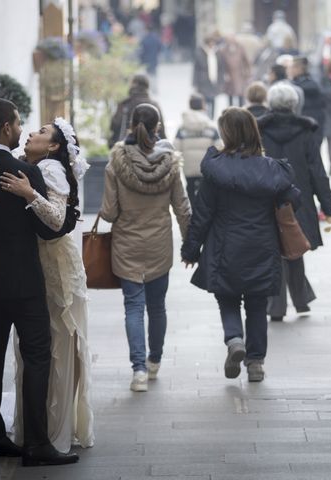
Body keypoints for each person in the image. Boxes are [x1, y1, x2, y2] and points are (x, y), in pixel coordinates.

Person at [0, 118, 95, 453]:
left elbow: (55, 222)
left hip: (27, 273)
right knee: (37, 355)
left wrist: (26, 196)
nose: (29, 131)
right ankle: (37, 441)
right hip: (27, 275)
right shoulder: (22, 167)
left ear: (55, 146)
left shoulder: (40, 170)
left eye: (41, 132)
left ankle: (8, 437)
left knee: (16, 356)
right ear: (6, 128)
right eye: (23, 125)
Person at [181, 107, 300, 383]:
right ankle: (256, 363)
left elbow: (202, 213)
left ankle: (235, 340)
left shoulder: (216, 169)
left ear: (227, 133)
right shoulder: (270, 169)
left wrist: (191, 250)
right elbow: (294, 198)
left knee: (228, 298)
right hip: (262, 246)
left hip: (225, 246)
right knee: (258, 305)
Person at [99, 103, 191, 393]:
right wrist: (190, 244)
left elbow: (110, 212)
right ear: (158, 128)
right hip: (159, 245)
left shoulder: (116, 162)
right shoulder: (171, 164)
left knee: (133, 307)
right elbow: (183, 208)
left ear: (130, 126)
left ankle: (138, 370)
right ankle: (154, 361)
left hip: (126, 244)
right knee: (157, 306)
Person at [257, 83, 331, 321]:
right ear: (294, 104)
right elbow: (317, 171)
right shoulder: (306, 130)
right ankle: (300, 301)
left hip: (266, 196)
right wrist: (328, 206)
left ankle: (278, 306)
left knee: (276, 249)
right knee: (294, 246)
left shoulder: (259, 130)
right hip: (298, 197)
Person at [174, 93, 221, 206]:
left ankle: (191, 213)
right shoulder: (210, 126)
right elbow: (218, 147)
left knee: (190, 188)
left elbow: (176, 148)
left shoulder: (182, 128)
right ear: (203, 106)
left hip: (188, 167)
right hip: (205, 167)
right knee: (204, 192)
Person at [109, 74, 166, 148]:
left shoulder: (125, 104)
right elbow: (162, 130)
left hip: (128, 147)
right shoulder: (154, 105)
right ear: (147, 86)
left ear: (134, 84)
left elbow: (114, 126)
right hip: (152, 148)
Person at [290, 56, 326, 148]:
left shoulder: (308, 86)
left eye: (293, 67)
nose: (290, 70)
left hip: (310, 127)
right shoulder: (296, 84)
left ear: (300, 68)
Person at [193, 33, 225, 118]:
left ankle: (212, 116)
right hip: (203, 80)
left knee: (213, 99)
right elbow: (196, 69)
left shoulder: (217, 52)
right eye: (210, 43)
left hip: (214, 80)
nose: (212, 44)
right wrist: (195, 83)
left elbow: (221, 67)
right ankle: (206, 116)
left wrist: (222, 80)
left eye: (213, 43)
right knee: (205, 100)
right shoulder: (200, 52)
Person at [220, 34, 252, 107]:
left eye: (232, 39)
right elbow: (221, 64)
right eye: (229, 40)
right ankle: (231, 111)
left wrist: (248, 73)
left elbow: (246, 61)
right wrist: (224, 74)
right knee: (230, 96)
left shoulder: (240, 48)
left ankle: (241, 110)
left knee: (241, 95)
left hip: (240, 75)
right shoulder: (223, 50)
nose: (231, 41)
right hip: (229, 76)